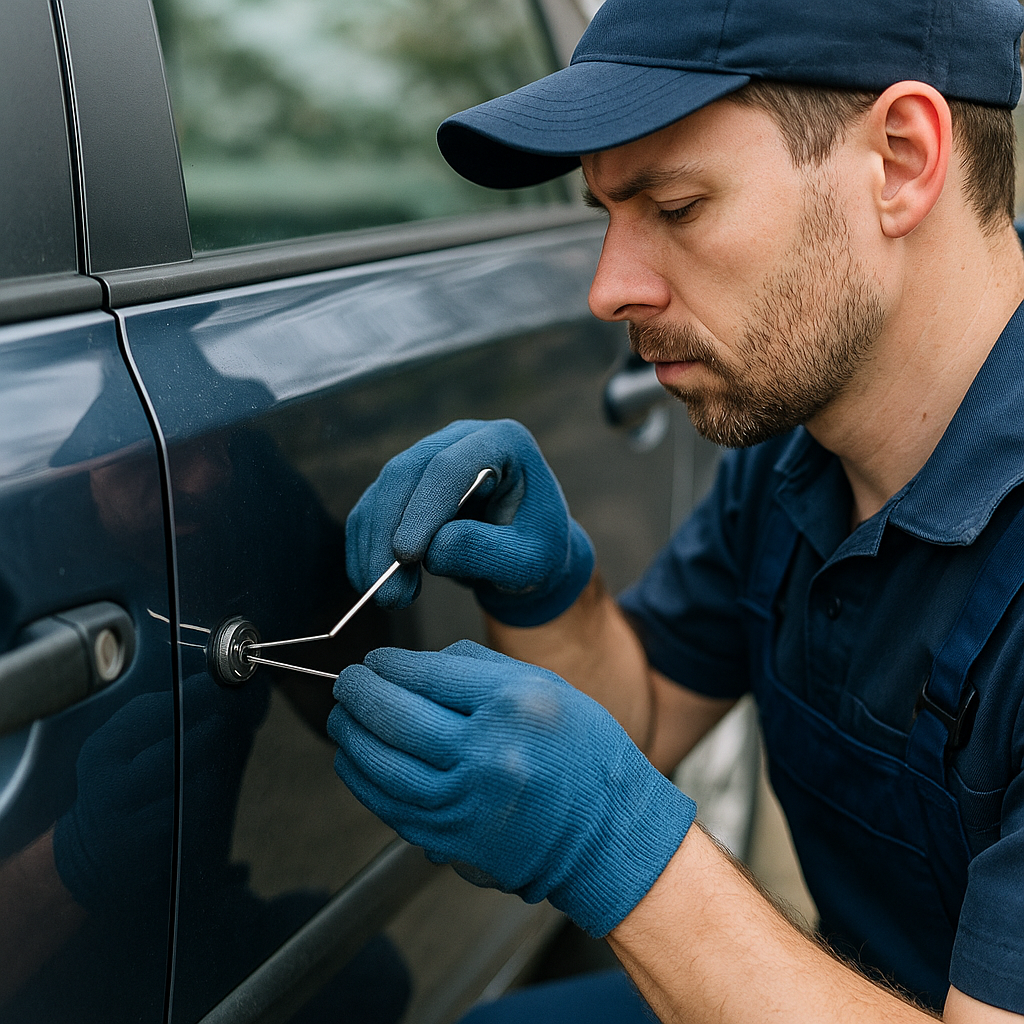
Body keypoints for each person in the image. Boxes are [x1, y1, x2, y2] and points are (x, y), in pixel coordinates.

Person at [327, 0, 1024, 1021]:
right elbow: (644, 712)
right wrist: (548, 597)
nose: (609, 290)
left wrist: (611, 836)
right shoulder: (800, 442)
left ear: (902, 158)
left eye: (678, 206)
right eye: (606, 215)